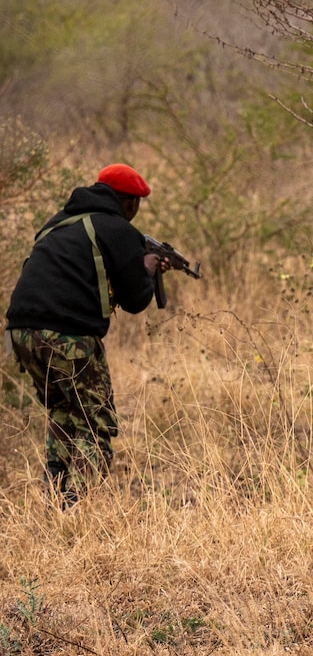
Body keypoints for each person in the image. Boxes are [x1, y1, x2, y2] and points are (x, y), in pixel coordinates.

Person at [6, 163, 166, 508]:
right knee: (96, 426)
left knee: (64, 414)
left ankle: (56, 502)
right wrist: (149, 268)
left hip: (20, 332)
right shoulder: (116, 229)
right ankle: (75, 509)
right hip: (67, 335)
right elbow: (136, 300)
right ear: (129, 202)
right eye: (135, 204)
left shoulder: (58, 222)